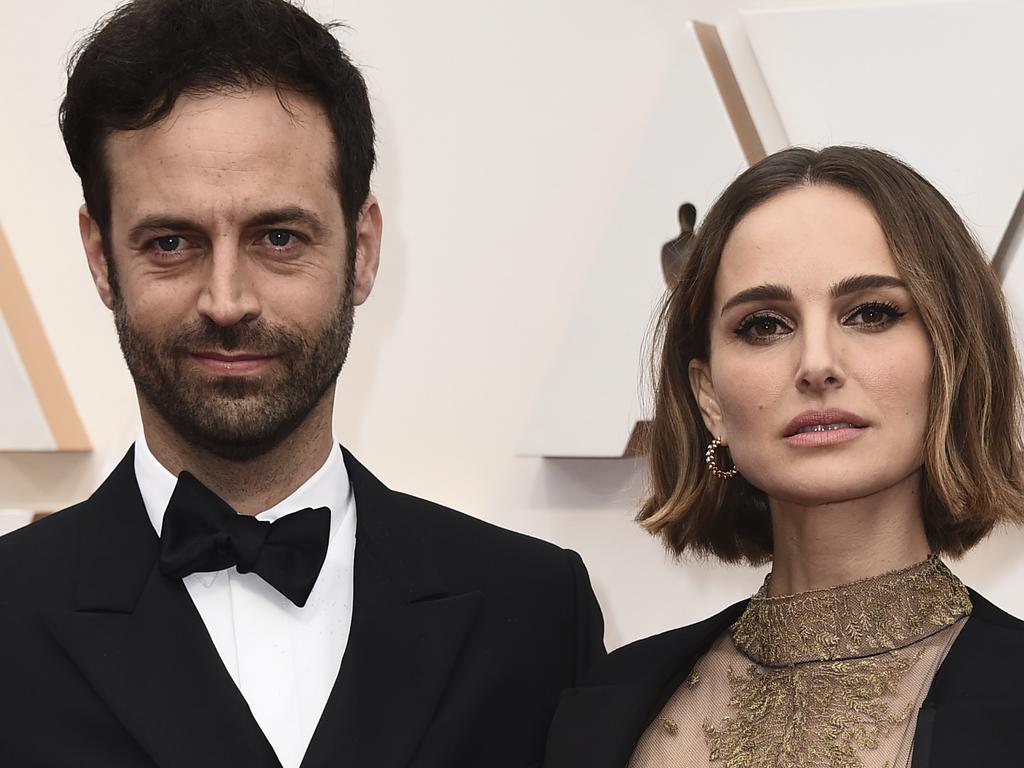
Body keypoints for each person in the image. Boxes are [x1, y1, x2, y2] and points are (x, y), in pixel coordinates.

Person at [0, 1, 604, 766]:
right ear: (99, 257)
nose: (227, 300)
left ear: (364, 249)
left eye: (279, 238)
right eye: (171, 242)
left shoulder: (536, 612)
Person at [544, 146, 1024, 768]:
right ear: (709, 396)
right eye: (764, 325)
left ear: (951, 362)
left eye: (871, 313)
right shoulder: (601, 708)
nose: (817, 365)